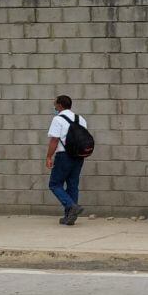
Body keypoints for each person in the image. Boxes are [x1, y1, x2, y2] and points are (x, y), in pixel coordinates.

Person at [47, 95, 88, 225]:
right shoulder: (80, 119)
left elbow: (54, 140)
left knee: (54, 184)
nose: (54, 107)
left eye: (55, 105)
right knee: (72, 185)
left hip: (64, 156)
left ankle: (71, 206)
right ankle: (69, 217)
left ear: (59, 105)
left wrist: (49, 156)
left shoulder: (58, 119)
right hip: (79, 156)